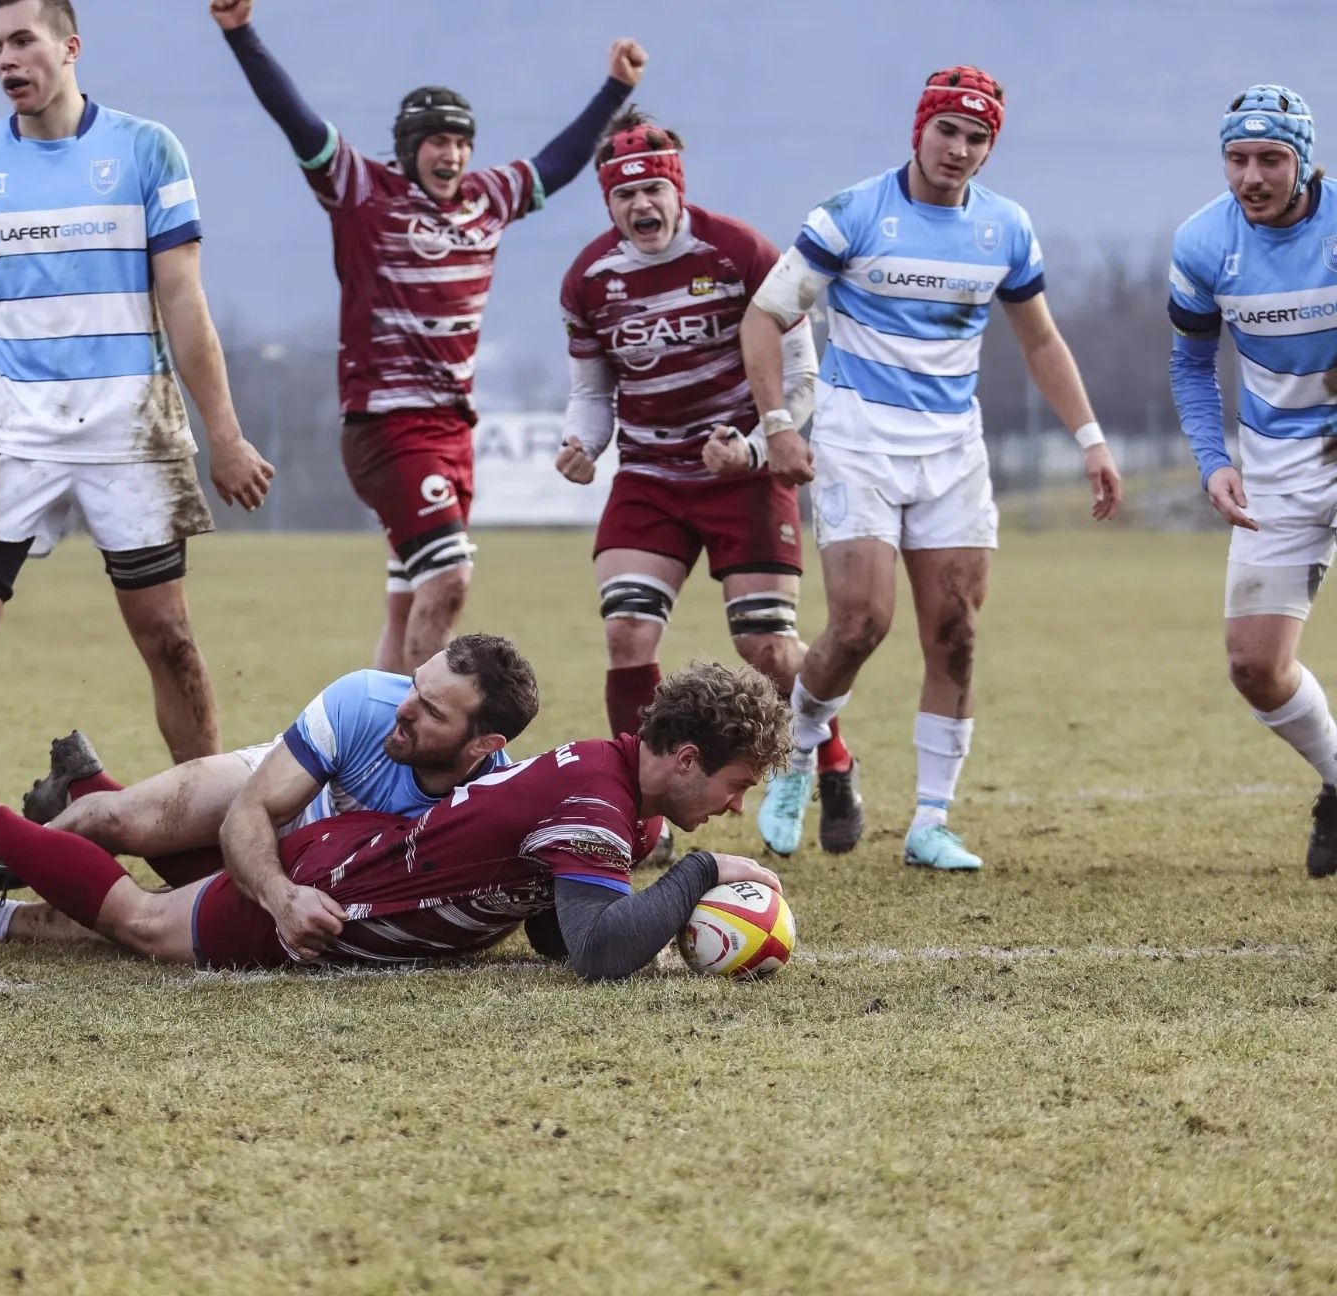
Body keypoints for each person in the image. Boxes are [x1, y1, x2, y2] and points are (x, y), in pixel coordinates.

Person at [0, 0, 273, 898]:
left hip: (131, 429)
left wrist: (222, 434)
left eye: (22, 41)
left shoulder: (147, 150)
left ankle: (213, 836)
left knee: (167, 636)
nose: (6, 59)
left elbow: (184, 301)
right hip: (13, 430)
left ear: (70, 46)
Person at [740, 65, 1122, 867]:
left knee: (956, 634)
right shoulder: (851, 213)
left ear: (990, 149)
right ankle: (798, 754)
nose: (959, 148)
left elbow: (1041, 341)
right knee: (859, 623)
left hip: (952, 450)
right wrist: (777, 425)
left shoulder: (1005, 228)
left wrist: (1089, 438)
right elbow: (765, 315)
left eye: (976, 137)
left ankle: (930, 823)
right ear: (919, 129)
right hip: (859, 442)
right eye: (947, 129)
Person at [209, 0, 647, 673]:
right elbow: (295, 118)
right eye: (438, 141)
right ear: (411, 148)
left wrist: (615, 89)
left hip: (452, 429)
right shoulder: (361, 189)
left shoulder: (487, 198)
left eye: (461, 142)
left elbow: (556, 164)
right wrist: (243, 34)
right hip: (387, 427)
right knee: (448, 580)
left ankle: (377, 735)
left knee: (409, 600)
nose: (452, 154)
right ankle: (425, 731)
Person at [0, 665, 789, 982]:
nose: (734, 807)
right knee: (139, 924)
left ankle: (28, 840)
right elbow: (596, 956)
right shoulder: (598, 804)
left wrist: (658, 909)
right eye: (737, 785)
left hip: (356, 859)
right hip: (341, 892)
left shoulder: (609, 790)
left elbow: (557, 928)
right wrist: (702, 876)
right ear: (684, 758)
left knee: (174, 895)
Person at [555, 110, 858, 863]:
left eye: (653, 189)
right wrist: (582, 444)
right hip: (650, 477)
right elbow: (592, 392)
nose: (641, 205)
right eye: (624, 195)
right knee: (627, 633)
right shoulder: (588, 280)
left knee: (767, 648)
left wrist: (753, 448)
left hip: (744, 477)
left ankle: (831, 756)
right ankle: (638, 812)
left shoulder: (741, 252)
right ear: (608, 202)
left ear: (677, 189)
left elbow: (802, 376)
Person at [0, 634, 540, 947]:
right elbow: (249, 812)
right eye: (414, 684)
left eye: (431, 710)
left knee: (140, 920)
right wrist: (281, 899)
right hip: (279, 797)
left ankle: (61, 808)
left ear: (482, 745)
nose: (404, 708)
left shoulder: (491, 804)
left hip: (318, 864)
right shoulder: (363, 700)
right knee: (123, 822)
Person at [1169, 85, 1337, 875]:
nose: (1252, 177)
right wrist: (1214, 461)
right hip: (1276, 468)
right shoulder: (1204, 243)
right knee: (1254, 666)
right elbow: (1191, 363)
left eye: (1270, 159)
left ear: (1304, 160)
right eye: (1237, 159)